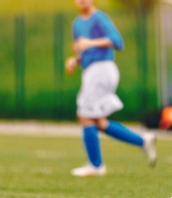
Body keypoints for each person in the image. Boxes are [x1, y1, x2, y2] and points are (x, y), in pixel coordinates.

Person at [65, 0, 156, 176]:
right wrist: (75, 60)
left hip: (102, 69)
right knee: (98, 121)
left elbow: (117, 41)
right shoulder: (77, 23)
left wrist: (90, 43)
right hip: (91, 70)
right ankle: (142, 141)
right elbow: (81, 49)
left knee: (85, 116)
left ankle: (96, 166)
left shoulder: (99, 18)